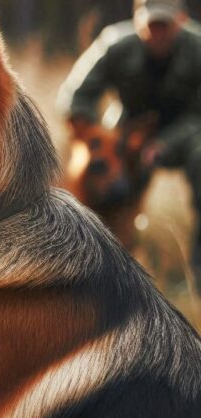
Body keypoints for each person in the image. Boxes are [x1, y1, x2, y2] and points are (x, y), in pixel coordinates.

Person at [58, 0, 201, 278]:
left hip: (188, 134)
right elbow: (74, 96)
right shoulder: (115, 43)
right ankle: (96, 255)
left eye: (164, 25)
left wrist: (165, 143)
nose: (156, 33)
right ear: (137, 20)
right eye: (151, 25)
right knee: (100, 175)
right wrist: (97, 138)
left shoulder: (198, 48)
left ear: (181, 20)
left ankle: (196, 268)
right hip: (127, 134)